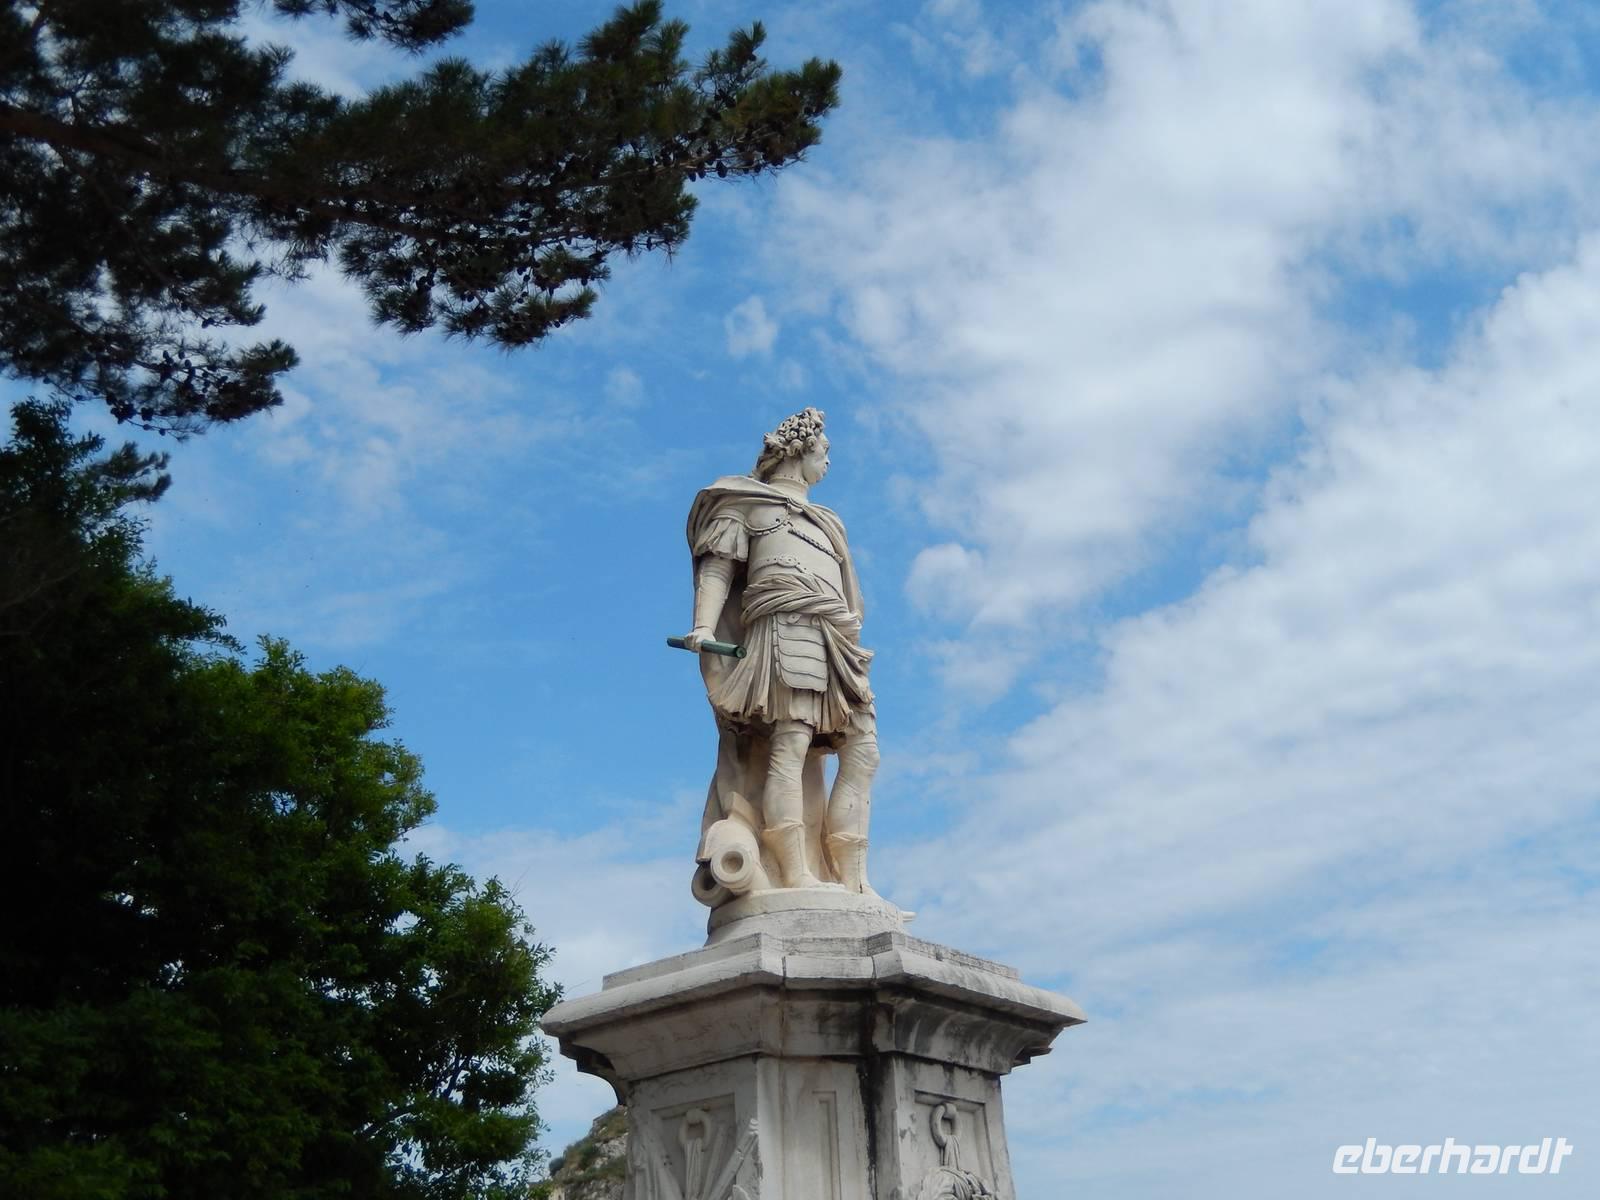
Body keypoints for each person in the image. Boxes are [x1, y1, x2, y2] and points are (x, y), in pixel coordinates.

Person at [682, 407, 879, 896]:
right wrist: (703, 625)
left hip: (836, 639)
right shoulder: (747, 504)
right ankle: (795, 874)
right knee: (790, 744)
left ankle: (854, 880)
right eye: (824, 450)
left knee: (864, 751)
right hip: (786, 630)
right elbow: (717, 568)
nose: (828, 461)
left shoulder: (828, 521)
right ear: (800, 450)